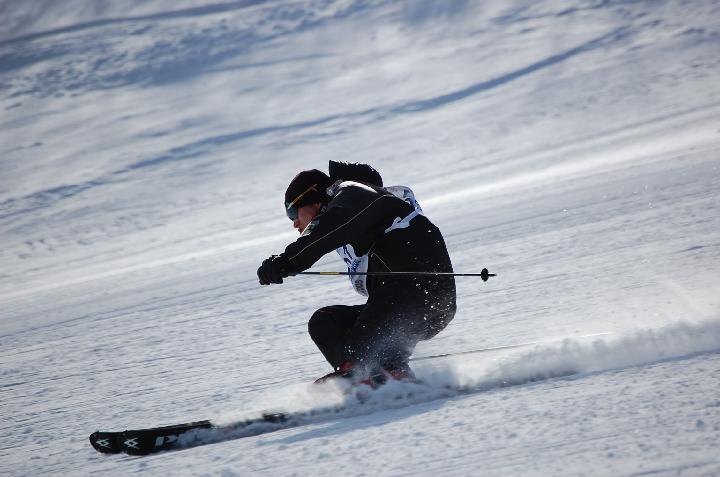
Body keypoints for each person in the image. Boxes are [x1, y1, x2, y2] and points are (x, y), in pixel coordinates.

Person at [257, 162, 456, 386]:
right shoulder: (359, 209)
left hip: (415, 292)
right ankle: (391, 378)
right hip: (415, 304)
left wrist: (286, 262)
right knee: (325, 322)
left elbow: (329, 231)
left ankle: (363, 375)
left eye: (293, 212)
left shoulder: (353, 193)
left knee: (358, 350)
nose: (294, 223)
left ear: (314, 198)